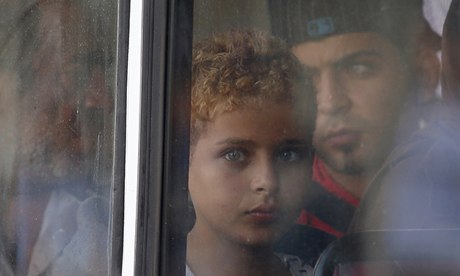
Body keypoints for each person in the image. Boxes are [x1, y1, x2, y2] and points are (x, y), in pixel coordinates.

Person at [269, 0, 441, 263]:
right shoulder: (275, 225)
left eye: (358, 68)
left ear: (424, 73)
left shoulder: (448, 195)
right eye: (306, 78)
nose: (330, 102)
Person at [186, 30, 315, 276]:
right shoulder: (139, 265)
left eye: (288, 155)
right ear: (183, 161)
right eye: (234, 155)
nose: (267, 182)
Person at [0, 0, 115, 274]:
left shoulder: (119, 229)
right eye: (79, 72)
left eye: (104, 71)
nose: (103, 102)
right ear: (8, 88)